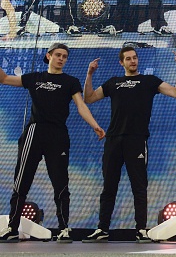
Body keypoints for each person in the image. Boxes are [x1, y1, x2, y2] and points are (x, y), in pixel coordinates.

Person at [0, 43, 105, 243]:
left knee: (61, 183)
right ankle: (12, 228)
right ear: (49, 56)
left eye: (64, 56)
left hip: (57, 135)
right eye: (58, 55)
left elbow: (81, 105)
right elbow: (4, 78)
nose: (61, 59)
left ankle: (64, 228)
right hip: (35, 131)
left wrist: (95, 125)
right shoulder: (34, 78)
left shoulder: (70, 81)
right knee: (22, 182)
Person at [82, 46, 176, 242]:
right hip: (113, 140)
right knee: (109, 186)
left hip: (136, 140)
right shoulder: (114, 82)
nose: (133, 61)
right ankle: (102, 229)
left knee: (139, 186)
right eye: (128, 59)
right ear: (122, 62)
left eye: (135, 58)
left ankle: (141, 230)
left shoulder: (149, 81)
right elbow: (89, 98)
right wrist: (89, 73)